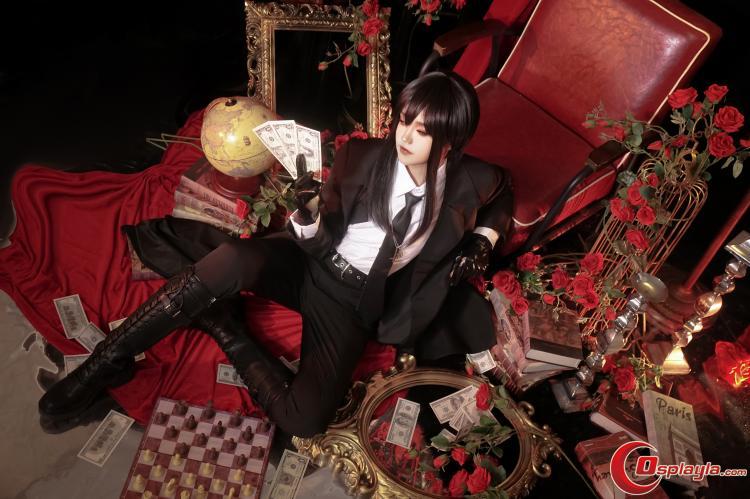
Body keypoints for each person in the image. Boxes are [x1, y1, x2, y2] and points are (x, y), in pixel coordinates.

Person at [39, 71, 513, 437]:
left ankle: (224, 326)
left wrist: (482, 240)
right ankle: (104, 362)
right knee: (229, 259)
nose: (404, 137)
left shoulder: (471, 180)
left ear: (450, 143)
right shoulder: (362, 158)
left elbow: (504, 192)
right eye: (405, 120)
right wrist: (305, 214)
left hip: (353, 305)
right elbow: (317, 236)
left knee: (304, 420)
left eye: (421, 131)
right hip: (310, 261)